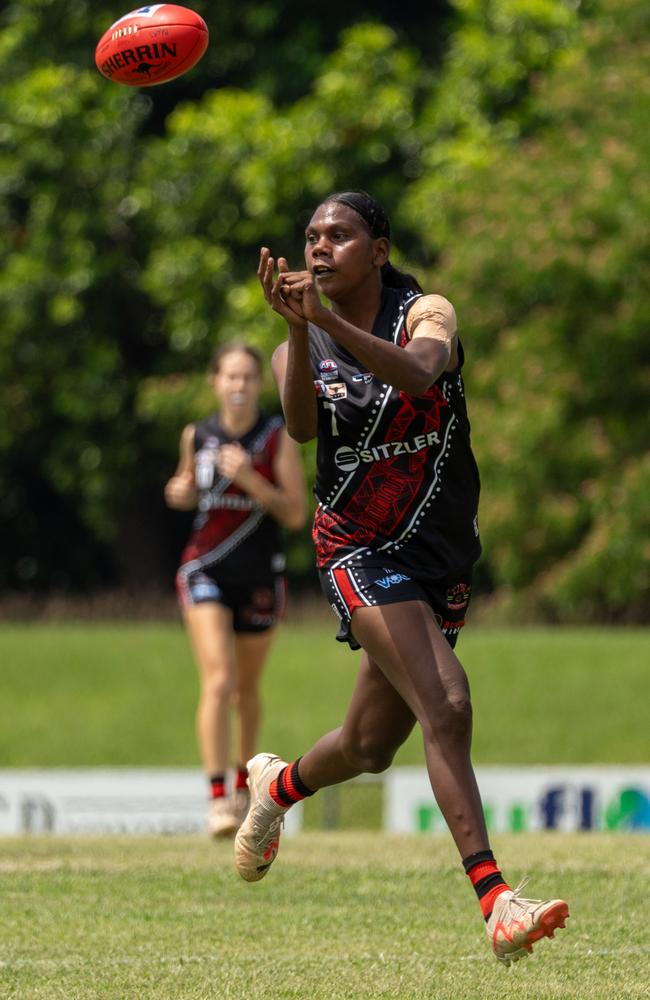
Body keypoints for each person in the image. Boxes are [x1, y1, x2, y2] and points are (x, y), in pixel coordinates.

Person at [233, 191, 569, 964]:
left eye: (340, 235)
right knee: (447, 703)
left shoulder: (427, 313)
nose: (320, 247)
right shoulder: (303, 344)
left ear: (378, 251)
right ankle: (496, 901)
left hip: (440, 554)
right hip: (355, 547)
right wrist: (297, 329)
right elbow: (304, 427)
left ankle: (277, 787)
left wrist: (327, 322)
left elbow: (421, 375)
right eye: (312, 236)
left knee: (370, 744)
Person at [165, 341, 307, 837]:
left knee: (246, 690)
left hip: (260, 574)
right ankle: (218, 798)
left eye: (249, 377)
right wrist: (178, 492)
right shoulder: (197, 434)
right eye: (231, 377)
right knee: (219, 680)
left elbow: (294, 513)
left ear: (259, 384)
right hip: (204, 567)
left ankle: (248, 787)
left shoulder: (276, 437)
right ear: (215, 382)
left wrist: (249, 478)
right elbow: (184, 487)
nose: (240, 386)